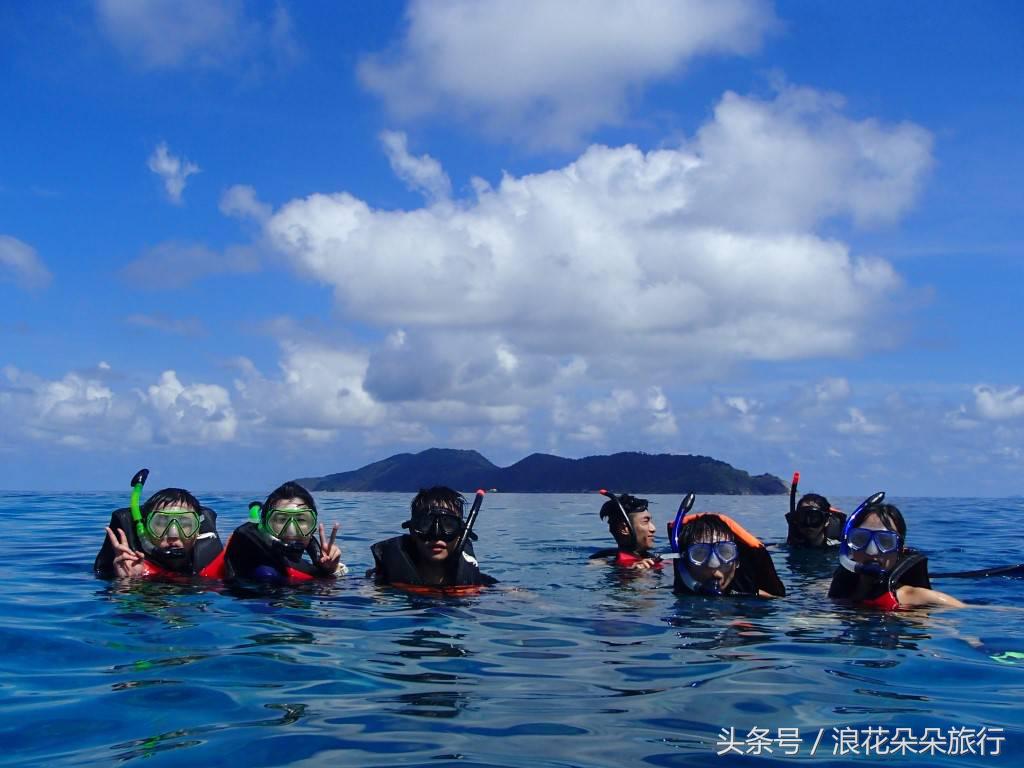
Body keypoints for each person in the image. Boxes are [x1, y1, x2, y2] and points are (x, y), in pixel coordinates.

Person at [828, 494, 964, 610]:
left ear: (901, 549)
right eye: (861, 539)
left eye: (885, 542)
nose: (872, 550)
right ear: (849, 545)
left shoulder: (917, 598)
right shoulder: (840, 590)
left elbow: (965, 617)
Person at [95, 469, 225, 579]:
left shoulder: (221, 566)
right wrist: (128, 582)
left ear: (197, 530)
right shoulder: (132, 569)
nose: (173, 534)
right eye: (161, 523)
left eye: (185, 524)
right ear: (145, 530)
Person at [369, 486, 497, 591]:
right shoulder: (378, 584)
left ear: (461, 533)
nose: (436, 535)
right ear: (412, 530)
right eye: (425, 524)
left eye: (448, 525)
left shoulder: (481, 585)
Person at [223, 481, 344, 583]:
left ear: (313, 529)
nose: (291, 530)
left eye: (301, 520)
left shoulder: (314, 567)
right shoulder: (265, 574)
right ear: (265, 526)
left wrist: (331, 570)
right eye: (281, 520)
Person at [670, 503, 785, 597]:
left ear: (737, 562)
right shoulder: (659, 597)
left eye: (725, 552)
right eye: (700, 554)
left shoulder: (757, 599)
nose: (714, 564)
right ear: (684, 563)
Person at [591, 491, 661, 570]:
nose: (653, 528)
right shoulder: (602, 562)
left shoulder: (653, 557)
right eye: (645, 521)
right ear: (624, 529)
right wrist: (633, 575)